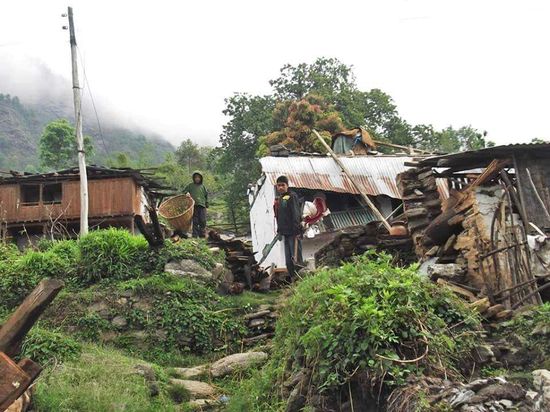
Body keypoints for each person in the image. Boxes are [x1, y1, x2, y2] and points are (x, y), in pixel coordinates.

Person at [273, 175, 303, 279]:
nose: (280, 187)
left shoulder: (292, 196)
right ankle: (293, 280)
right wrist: (279, 230)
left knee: (296, 258)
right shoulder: (280, 199)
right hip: (285, 233)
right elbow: (280, 216)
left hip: (293, 233)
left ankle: (301, 279)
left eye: (282, 185)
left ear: (287, 185)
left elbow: (296, 214)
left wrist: (297, 230)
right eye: (278, 185)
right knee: (288, 261)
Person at [184, 171, 208, 238]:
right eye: (196, 177)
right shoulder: (190, 185)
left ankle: (202, 234)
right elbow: (185, 191)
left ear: (201, 178)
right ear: (193, 178)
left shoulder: (203, 187)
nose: (197, 179)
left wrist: (207, 203)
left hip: (202, 205)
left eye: (198, 177)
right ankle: (195, 234)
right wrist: (187, 193)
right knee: (195, 220)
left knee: (203, 220)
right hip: (194, 205)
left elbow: (206, 195)